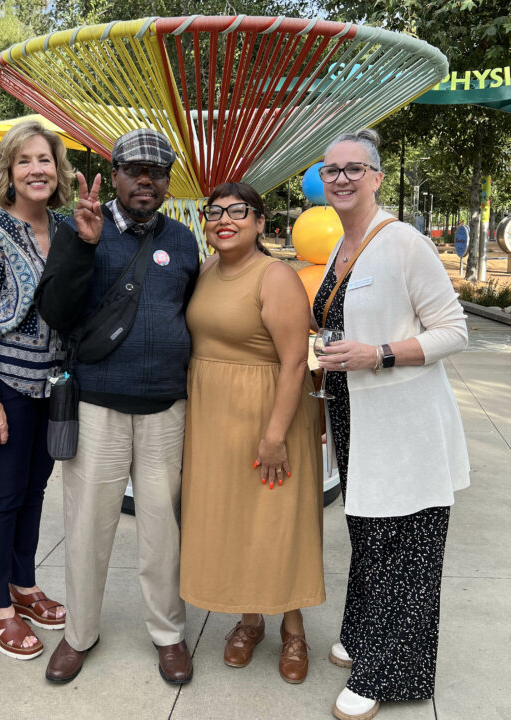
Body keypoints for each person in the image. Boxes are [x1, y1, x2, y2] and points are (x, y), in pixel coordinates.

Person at [311, 129, 469, 720]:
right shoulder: (340, 247)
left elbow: (454, 331)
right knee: (368, 532)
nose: (343, 178)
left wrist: (377, 353)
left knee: (406, 544)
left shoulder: (403, 242)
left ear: (376, 177)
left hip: (405, 423)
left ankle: (389, 671)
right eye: (333, 170)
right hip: (354, 413)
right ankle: (361, 637)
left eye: (355, 168)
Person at [35, 128, 199, 684]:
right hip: (99, 404)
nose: (145, 180)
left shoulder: (182, 240)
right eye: (134, 170)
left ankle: (168, 633)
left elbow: (190, 312)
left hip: (165, 409)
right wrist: (83, 245)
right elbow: (56, 310)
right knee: (88, 526)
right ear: (117, 173)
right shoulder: (79, 228)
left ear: (168, 180)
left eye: (156, 172)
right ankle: (79, 634)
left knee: (162, 529)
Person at [180, 182, 325, 683]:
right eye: (214, 212)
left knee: (278, 519)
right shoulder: (204, 273)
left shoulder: (276, 276)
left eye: (238, 211)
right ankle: (248, 620)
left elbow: (292, 364)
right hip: (215, 416)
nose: (225, 219)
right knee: (236, 518)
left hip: (270, 413)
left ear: (260, 222)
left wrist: (275, 435)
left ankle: (293, 627)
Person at [0, 120, 72, 660]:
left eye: (44, 160)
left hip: (55, 387)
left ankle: (22, 586)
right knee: (1, 495)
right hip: (4, 383)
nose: (36, 169)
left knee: (34, 491)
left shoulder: (68, 229)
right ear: (9, 171)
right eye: (24, 160)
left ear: (58, 169)